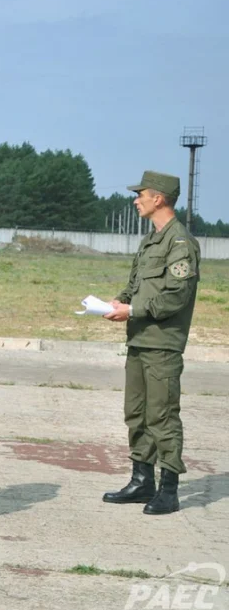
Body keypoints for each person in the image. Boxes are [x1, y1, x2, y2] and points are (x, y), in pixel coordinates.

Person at [102, 171, 200, 516]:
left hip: (163, 345)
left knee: (162, 416)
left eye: (140, 195)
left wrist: (132, 310)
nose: (136, 200)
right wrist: (119, 301)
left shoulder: (180, 243)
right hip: (140, 340)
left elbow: (176, 296)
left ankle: (168, 490)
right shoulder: (150, 240)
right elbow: (136, 285)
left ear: (158, 198)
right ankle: (142, 481)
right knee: (137, 414)